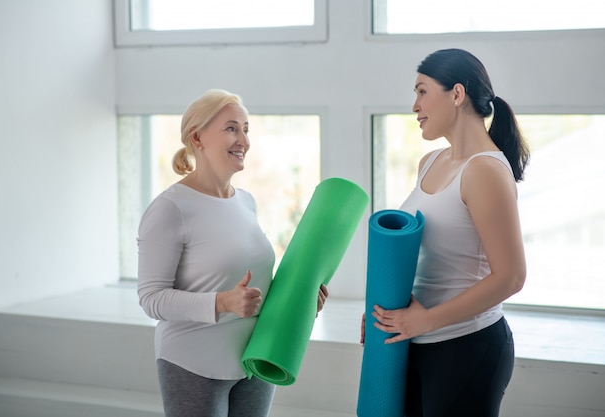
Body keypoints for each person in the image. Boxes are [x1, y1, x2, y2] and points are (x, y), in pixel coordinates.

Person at [137, 89, 329, 417]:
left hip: (254, 360)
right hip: (193, 363)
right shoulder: (170, 208)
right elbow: (151, 299)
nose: (244, 139)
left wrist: (299, 302)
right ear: (197, 137)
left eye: (246, 129)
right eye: (231, 128)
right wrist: (222, 302)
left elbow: (253, 288)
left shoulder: (246, 202)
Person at [361, 48, 529, 417]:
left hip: (465, 347)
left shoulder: (484, 171)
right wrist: (383, 312)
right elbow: (421, 258)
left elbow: (511, 277)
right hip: (413, 342)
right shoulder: (431, 162)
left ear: (456, 94)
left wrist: (424, 320)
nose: (414, 105)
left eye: (422, 91)